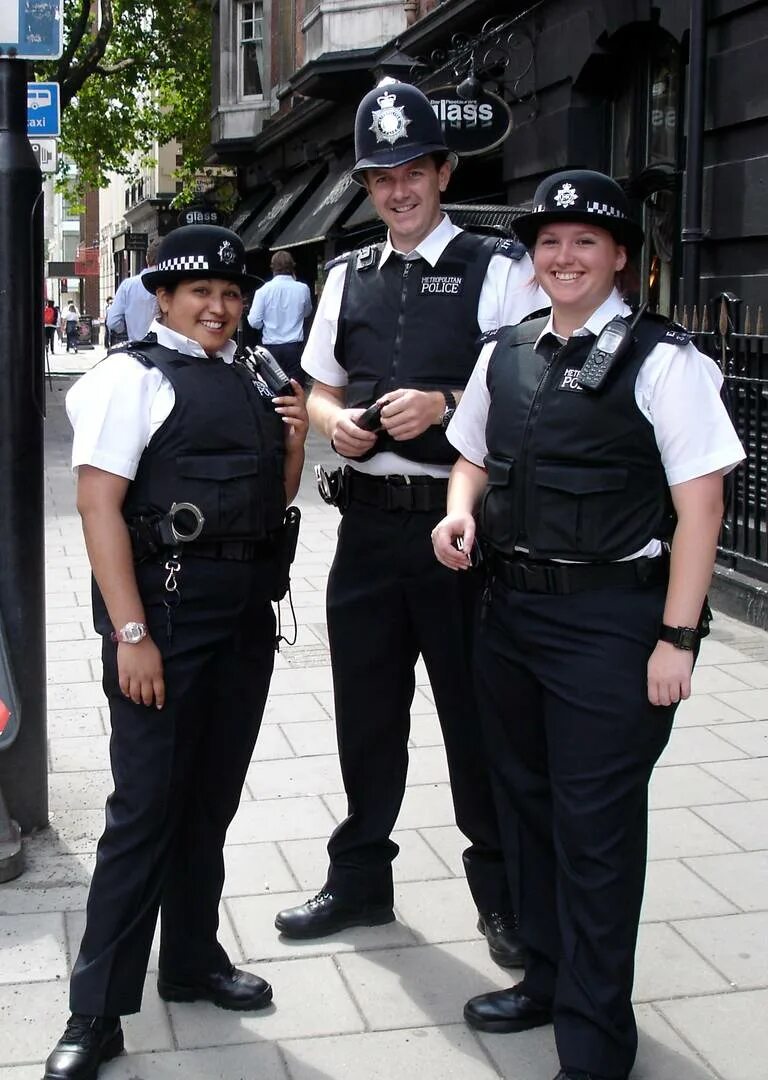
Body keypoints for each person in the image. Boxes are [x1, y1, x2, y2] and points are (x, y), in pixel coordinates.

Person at [431, 169, 744, 1080]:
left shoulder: (667, 361)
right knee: (524, 813)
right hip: (510, 616)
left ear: (620, 260)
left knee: (596, 833)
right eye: (550, 242)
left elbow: (702, 509)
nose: (564, 257)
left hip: (612, 626)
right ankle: (547, 978)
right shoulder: (506, 351)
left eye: (585, 242)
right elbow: (472, 459)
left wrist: (676, 639)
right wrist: (457, 513)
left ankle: (597, 1045)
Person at [273, 78, 546, 966]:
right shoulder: (346, 274)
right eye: (381, 176)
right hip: (367, 533)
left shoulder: (496, 271)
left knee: (476, 717)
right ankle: (361, 880)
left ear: (443, 170)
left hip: (460, 533)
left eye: (412, 171)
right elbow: (315, 390)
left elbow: (531, 390)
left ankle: (500, 894)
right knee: (365, 713)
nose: (397, 190)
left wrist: (448, 401)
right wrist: (333, 425)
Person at [43, 225, 308, 1080]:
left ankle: (191, 959)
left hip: (242, 621)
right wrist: (132, 635)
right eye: (201, 293)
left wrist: (296, 436)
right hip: (164, 621)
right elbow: (98, 511)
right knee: (145, 811)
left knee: (209, 802)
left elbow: (274, 497)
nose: (219, 308)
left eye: (232, 294)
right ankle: (96, 1009)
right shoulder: (130, 376)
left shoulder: (248, 375)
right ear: (162, 298)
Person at [247, 249, 313, 386]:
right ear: (292, 267)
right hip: (294, 348)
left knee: (273, 389)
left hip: (271, 349)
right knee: (295, 389)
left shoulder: (262, 291)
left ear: (272, 268)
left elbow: (254, 322)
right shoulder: (303, 289)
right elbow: (307, 312)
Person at [106, 239, 161, 344]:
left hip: (138, 347)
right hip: (169, 351)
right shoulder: (175, 284)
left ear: (146, 259)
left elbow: (112, 322)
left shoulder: (128, 285)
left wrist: (126, 328)